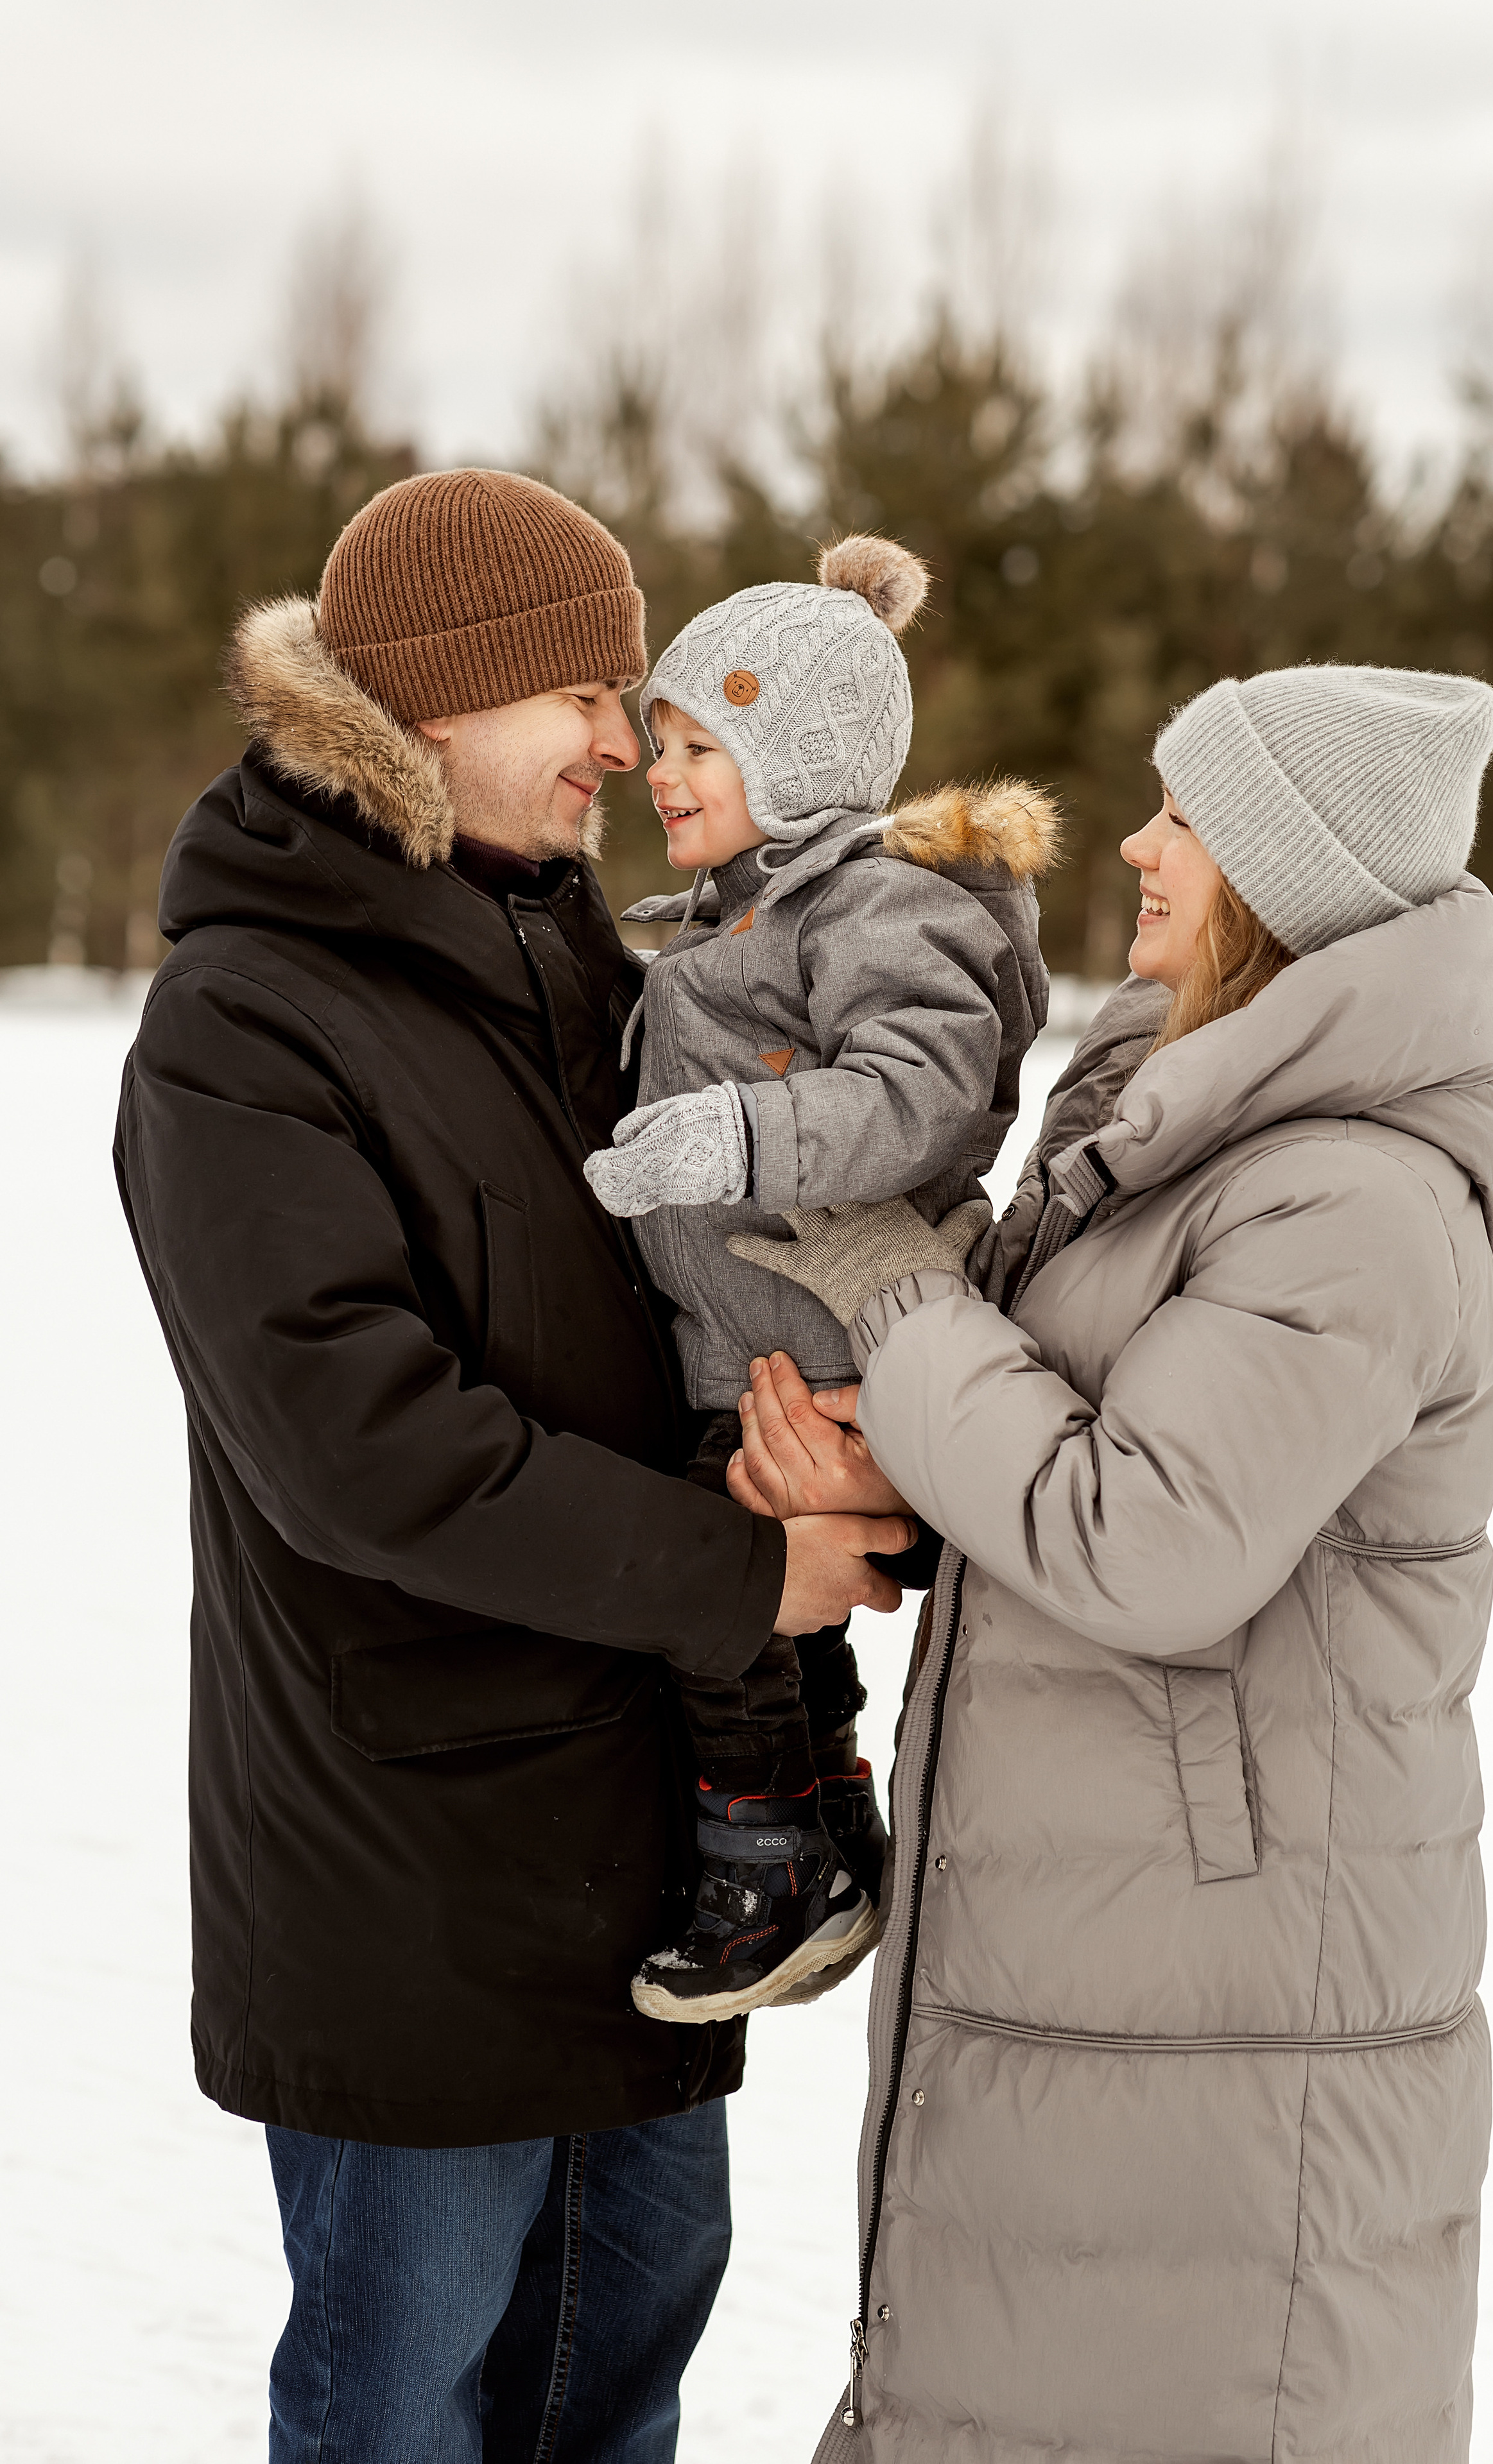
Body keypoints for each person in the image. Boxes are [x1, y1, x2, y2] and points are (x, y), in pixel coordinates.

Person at [112, 467, 913, 2464]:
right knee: (405, 2419)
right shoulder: (244, 1026)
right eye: (586, 695)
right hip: (416, 1888)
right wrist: (750, 1579)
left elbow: (696, 1319)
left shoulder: (607, 985)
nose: (624, 747)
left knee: (611, 2398)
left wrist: (830, 1441)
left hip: (646, 1875)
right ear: (431, 702)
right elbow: (365, 1457)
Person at [729, 665, 1493, 2463]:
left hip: (1226, 2073)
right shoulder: (1181, 1130)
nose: (1139, 844)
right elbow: (1069, 1465)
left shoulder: (1347, 1197)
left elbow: (1149, 1536)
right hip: (1103, 2006)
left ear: (1284, 879)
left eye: (1189, 818)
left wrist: (902, 1287)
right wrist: (896, 1465)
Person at [580, 536, 1056, 2022]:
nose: (661, 774)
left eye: (699, 746)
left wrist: (730, 1130)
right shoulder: (752, 913)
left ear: (798, 764)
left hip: (810, 1341)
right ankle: (830, 1820)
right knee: (774, 1611)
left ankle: (767, 1852)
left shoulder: (877, 909)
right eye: (656, 742)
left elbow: (915, 1092)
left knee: (720, 1597)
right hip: (747, 1334)